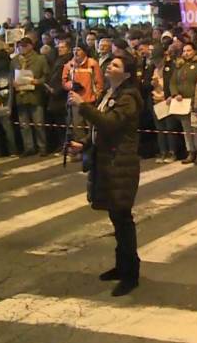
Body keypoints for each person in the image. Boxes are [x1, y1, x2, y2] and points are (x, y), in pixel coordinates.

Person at [68, 54, 143, 296]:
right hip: (106, 161)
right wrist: (84, 144)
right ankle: (121, 266)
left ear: (127, 74)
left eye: (116, 65)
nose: (110, 66)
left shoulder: (129, 97)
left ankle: (131, 274)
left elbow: (110, 124)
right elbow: (99, 130)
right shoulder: (110, 93)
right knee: (115, 217)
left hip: (120, 163)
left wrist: (83, 105)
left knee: (123, 218)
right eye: (110, 63)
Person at [63, 43, 104, 155]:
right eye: (74, 49)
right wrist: (71, 85)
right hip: (75, 100)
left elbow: (99, 82)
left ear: (84, 51)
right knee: (78, 126)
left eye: (78, 49)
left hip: (90, 100)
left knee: (92, 126)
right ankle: (81, 149)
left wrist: (97, 95)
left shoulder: (92, 64)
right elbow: (64, 81)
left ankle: (93, 149)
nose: (76, 52)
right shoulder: (69, 65)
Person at [12, 37, 50, 156]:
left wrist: (38, 81)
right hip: (20, 95)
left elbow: (47, 76)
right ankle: (29, 147)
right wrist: (12, 83)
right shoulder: (15, 60)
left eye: (24, 46)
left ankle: (42, 147)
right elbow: (10, 76)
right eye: (20, 46)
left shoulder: (40, 59)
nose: (21, 48)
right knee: (24, 125)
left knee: (39, 123)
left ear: (30, 46)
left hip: (35, 95)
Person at [170, 43, 197, 164]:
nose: (186, 53)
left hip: (196, 100)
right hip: (183, 103)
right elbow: (173, 82)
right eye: (184, 51)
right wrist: (175, 94)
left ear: (194, 51)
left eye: (189, 50)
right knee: (187, 129)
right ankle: (191, 151)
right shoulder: (179, 66)